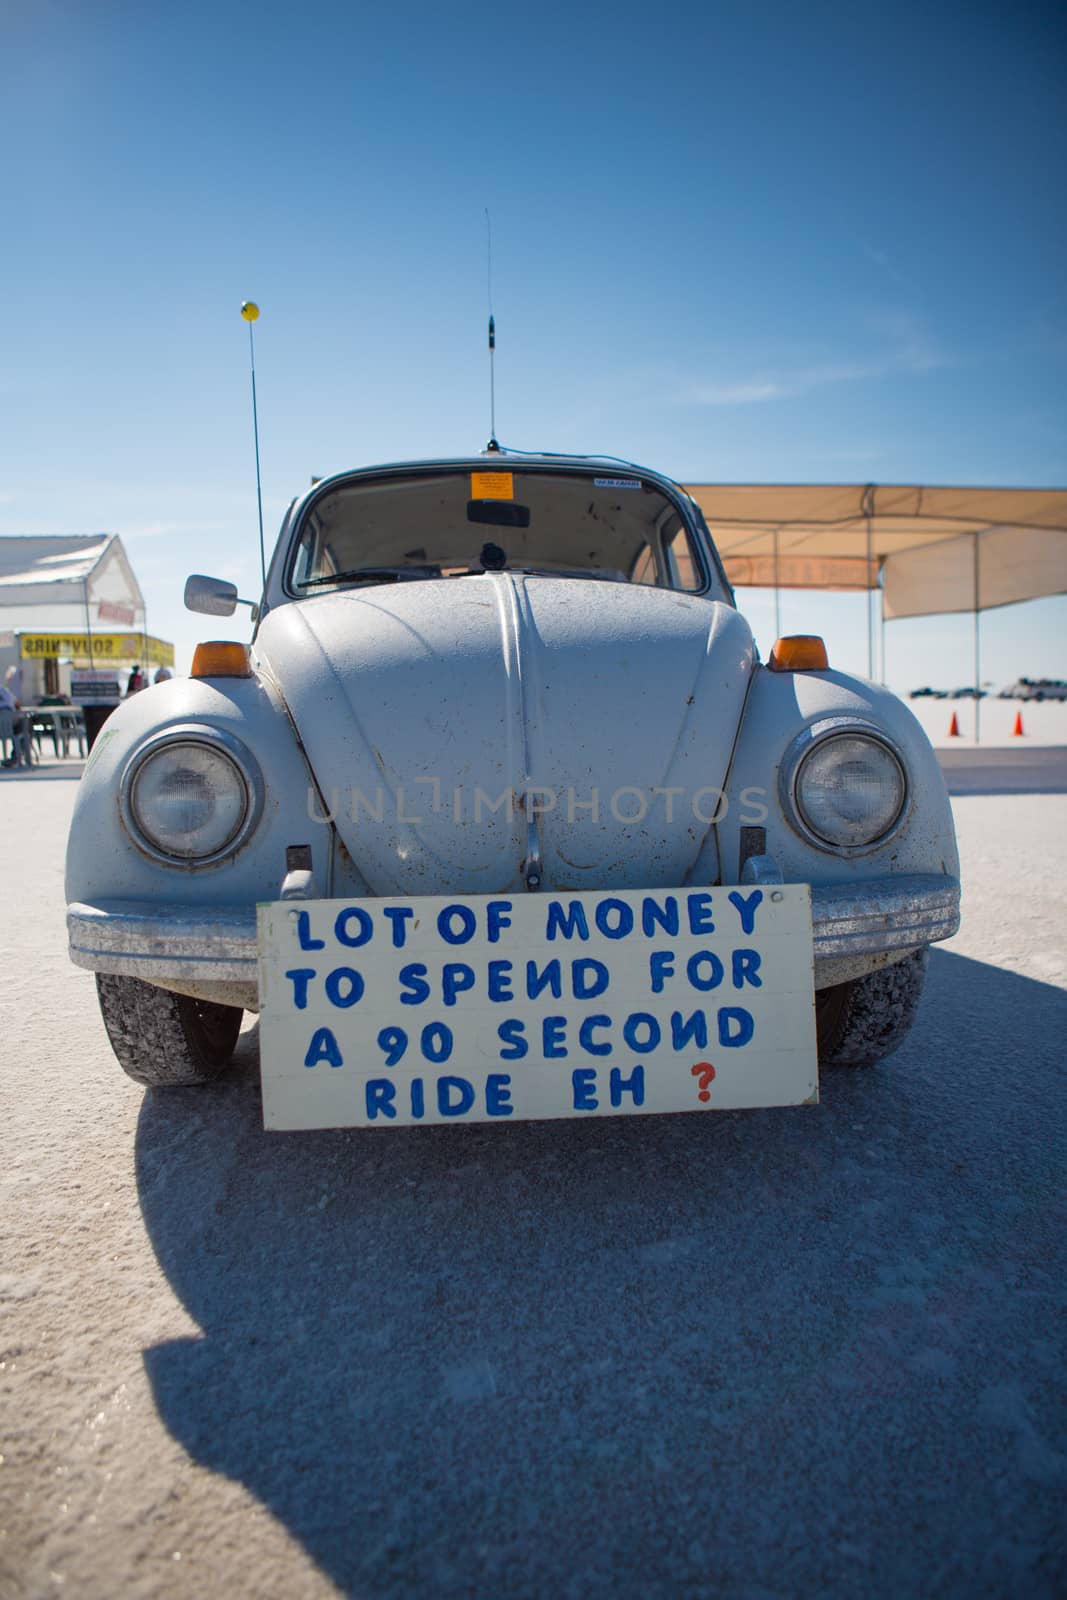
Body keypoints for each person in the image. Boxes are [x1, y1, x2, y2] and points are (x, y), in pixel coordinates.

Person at [0, 679, 28, 768]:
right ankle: (16, 757)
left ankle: (15, 758)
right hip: (9, 727)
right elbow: (18, 705)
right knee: (23, 727)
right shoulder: (4, 691)